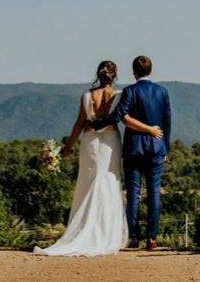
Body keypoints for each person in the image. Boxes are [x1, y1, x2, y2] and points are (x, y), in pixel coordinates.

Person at [33, 60, 162, 257]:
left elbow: (79, 123)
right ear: (114, 75)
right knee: (109, 182)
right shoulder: (120, 95)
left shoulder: (86, 96)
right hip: (110, 141)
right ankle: (106, 232)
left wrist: (67, 147)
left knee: (88, 183)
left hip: (89, 142)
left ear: (98, 75)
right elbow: (124, 119)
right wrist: (150, 130)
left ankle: (85, 230)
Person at [89, 55, 172, 250]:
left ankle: (133, 237)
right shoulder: (162, 92)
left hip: (133, 148)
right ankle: (152, 238)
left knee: (133, 193)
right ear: (151, 70)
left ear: (134, 72)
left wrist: (98, 124)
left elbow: (119, 115)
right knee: (154, 193)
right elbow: (167, 122)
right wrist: (165, 147)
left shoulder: (129, 91)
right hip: (156, 147)